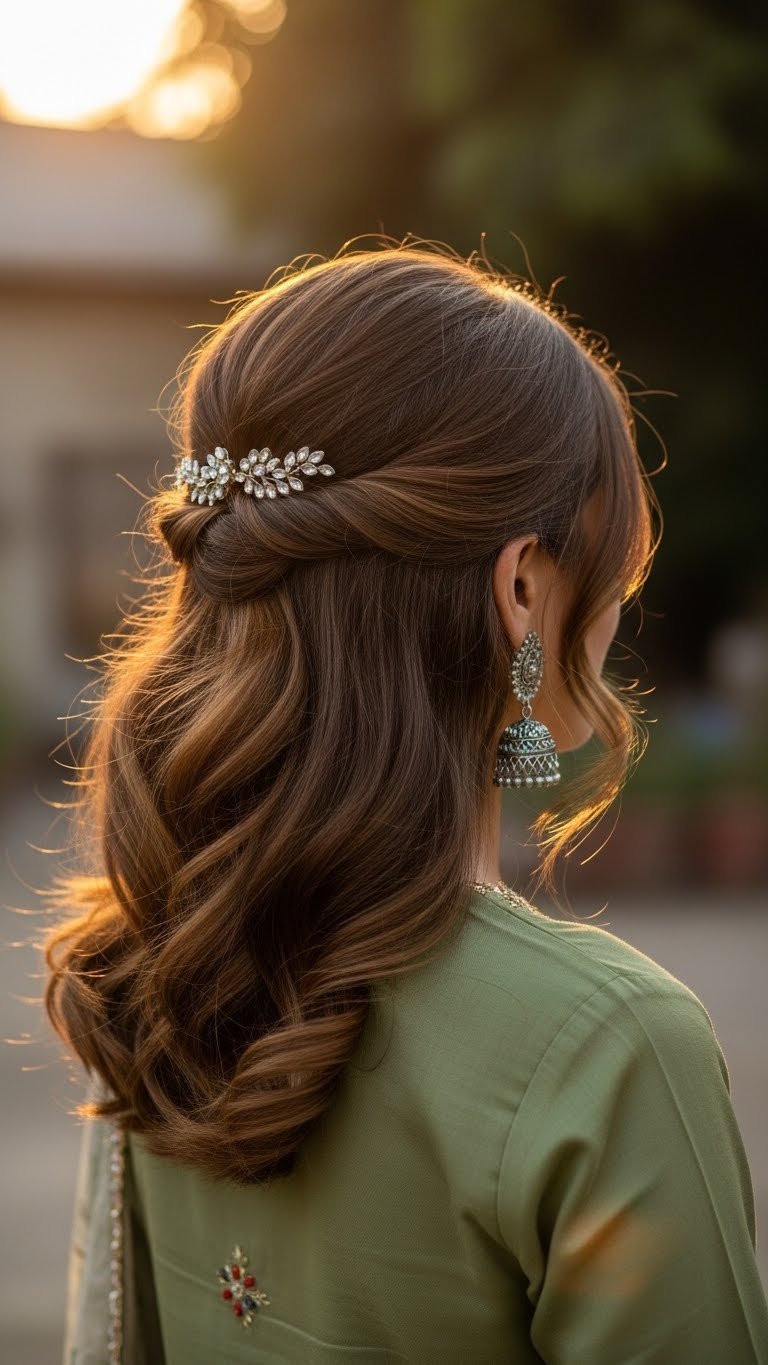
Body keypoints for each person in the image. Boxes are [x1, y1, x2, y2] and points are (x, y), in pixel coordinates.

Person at [43, 240, 768, 1363]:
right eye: (617, 569)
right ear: (523, 588)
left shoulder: (152, 966)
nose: (620, 612)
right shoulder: (608, 1046)